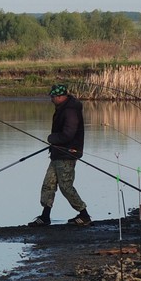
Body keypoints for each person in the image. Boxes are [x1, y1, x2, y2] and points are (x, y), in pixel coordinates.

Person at [29, 83, 92, 226]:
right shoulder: (62, 108)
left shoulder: (70, 110)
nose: (51, 99)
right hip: (58, 153)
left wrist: (52, 138)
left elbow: (68, 134)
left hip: (67, 154)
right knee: (48, 184)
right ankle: (45, 217)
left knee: (66, 186)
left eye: (52, 96)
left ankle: (84, 215)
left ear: (60, 97)